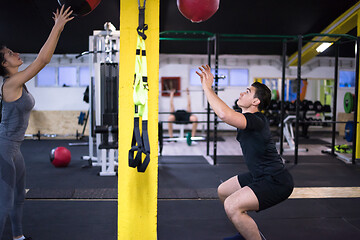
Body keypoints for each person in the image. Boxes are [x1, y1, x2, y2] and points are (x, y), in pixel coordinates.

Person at [0, 6, 73, 240]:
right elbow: (43, 60)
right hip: (3, 148)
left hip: (15, 149)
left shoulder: (20, 83)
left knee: (19, 195)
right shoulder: (11, 84)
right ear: (4, 64)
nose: (16, 53)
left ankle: (18, 237)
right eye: (10, 53)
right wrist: (57, 27)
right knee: (4, 200)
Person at [196, 65, 294, 240]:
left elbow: (225, 115)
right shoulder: (248, 119)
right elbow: (228, 114)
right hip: (260, 175)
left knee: (232, 205)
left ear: (256, 101)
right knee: (224, 191)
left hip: (276, 180)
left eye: (247, 91)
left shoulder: (256, 120)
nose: (242, 93)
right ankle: (245, 231)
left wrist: (207, 87)